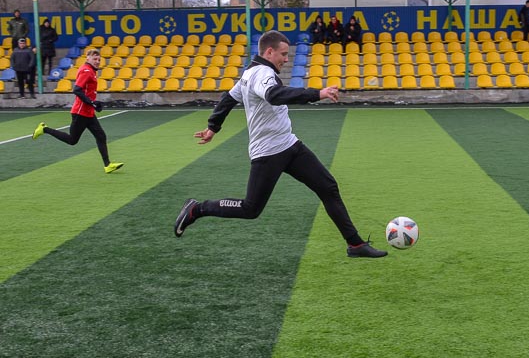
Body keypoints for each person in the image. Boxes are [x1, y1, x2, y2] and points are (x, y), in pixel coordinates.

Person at [173, 30, 387, 258]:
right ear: (269, 51)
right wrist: (318, 93)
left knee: (328, 187)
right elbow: (274, 94)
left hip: (290, 145)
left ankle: (355, 245)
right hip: (268, 153)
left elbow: (229, 98)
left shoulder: (250, 73)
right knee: (250, 209)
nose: (286, 59)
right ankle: (197, 208)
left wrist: (212, 128)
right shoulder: (261, 73)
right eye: (283, 54)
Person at [32, 48, 124, 174]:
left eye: (99, 59)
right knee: (72, 140)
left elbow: (87, 91)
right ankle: (44, 129)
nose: (97, 61)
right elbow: (77, 89)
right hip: (80, 112)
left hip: (88, 112)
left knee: (101, 136)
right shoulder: (86, 71)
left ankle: (107, 165)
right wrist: (91, 102)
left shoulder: (91, 71)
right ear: (88, 58)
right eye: (94, 59)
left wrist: (93, 103)